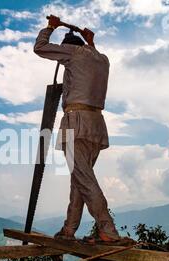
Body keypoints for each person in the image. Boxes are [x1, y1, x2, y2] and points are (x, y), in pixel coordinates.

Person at [34, 15, 125, 244]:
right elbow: (92, 53)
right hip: (96, 126)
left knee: (83, 179)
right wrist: (91, 42)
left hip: (75, 122)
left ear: (67, 49)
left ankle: (108, 230)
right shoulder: (103, 60)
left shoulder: (72, 53)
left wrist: (50, 27)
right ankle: (69, 229)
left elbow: (40, 47)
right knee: (80, 179)